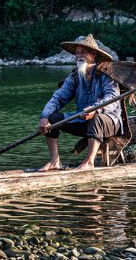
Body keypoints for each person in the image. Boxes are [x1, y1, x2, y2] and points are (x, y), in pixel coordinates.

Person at [38, 34, 122, 171]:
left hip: (110, 122)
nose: (79, 56)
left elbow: (113, 97)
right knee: (52, 119)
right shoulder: (75, 77)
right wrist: (44, 116)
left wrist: (95, 109)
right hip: (83, 120)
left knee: (96, 118)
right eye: (77, 53)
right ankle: (55, 161)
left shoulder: (106, 74)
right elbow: (58, 98)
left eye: (83, 52)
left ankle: (89, 162)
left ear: (93, 54)